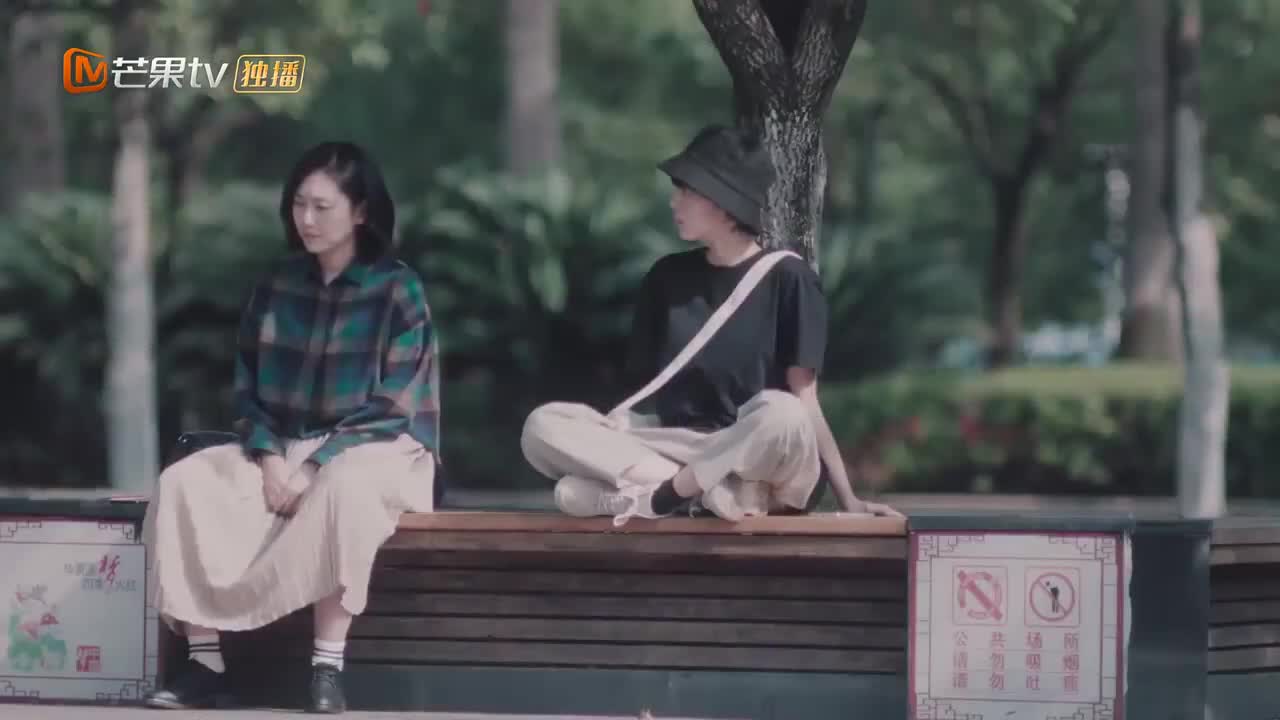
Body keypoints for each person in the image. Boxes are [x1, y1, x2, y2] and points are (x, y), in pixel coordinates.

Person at [140, 141, 440, 714]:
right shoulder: (276, 285)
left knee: (345, 488)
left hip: (379, 447)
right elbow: (247, 390)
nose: (306, 219)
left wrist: (315, 465)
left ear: (360, 211)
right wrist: (271, 456)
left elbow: (395, 404)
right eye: (299, 204)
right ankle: (205, 664)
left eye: (322, 207)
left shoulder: (398, 288)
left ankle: (327, 668)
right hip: (282, 445)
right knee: (186, 482)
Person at [520, 124, 901, 524]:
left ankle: (669, 494)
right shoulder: (666, 278)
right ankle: (708, 494)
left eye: (687, 191)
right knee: (543, 425)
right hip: (679, 446)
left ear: (725, 203)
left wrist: (849, 500)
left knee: (783, 411)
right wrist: (613, 428)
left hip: (763, 455)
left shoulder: (790, 278)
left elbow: (806, 402)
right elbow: (646, 395)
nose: (674, 202)